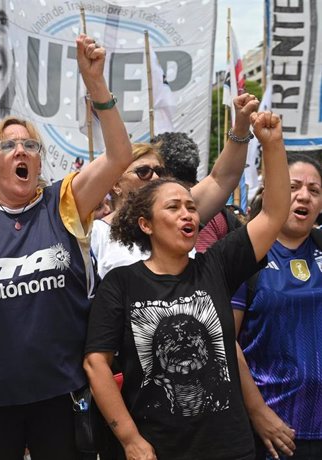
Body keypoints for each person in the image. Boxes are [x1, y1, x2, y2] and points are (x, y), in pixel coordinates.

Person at [0, 35, 132, 459]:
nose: (22, 150)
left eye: (30, 145)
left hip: (60, 396)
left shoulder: (62, 203)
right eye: (9, 145)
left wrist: (96, 85)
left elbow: (120, 155)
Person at [83, 110, 290, 460]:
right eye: (174, 207)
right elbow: (95, 364)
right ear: (145, 224)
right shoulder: (122, 283)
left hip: (229, 449)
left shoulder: (217, 266)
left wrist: (273, 145)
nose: (188, 214)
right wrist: (131, 439)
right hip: (156, 450)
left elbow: (272, 215)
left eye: (192, 207)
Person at [91, 93, 260, 279]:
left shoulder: (179, 213)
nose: (155, 177)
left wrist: (241, 128)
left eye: (160, 171)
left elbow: (222, 179)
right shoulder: (95, 235)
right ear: (115, 184)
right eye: (144, 171)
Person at [232, 152, 322, 460]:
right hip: (273, 432)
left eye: (315, 190)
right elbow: (225, 342)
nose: (304, 196)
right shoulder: (247, 256)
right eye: (294, 186)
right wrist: (258, 413)